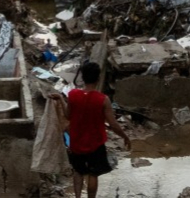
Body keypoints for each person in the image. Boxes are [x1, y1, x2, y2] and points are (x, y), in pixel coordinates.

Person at [50, 62, 131, 198]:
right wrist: (125, 136)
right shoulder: (103, 100)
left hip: (76, 142)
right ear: (98, 78)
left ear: (82, 77)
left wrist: (60, 100)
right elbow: (113, 124)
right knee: (93, 174)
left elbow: (68, 115)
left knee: (78, 171)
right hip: (96, 143)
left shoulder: (73, 94)